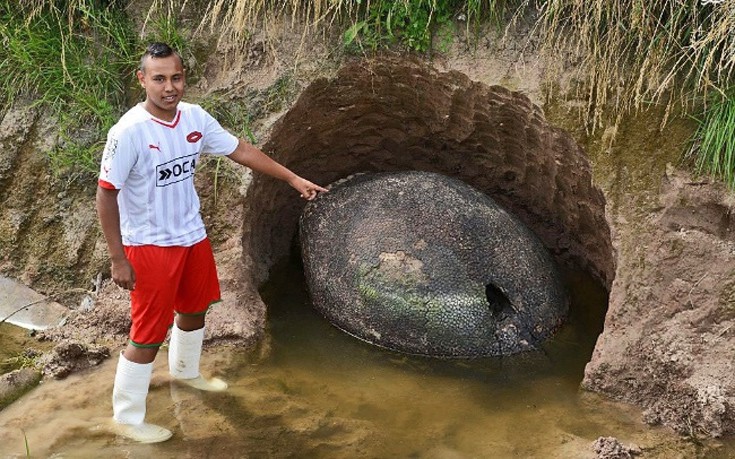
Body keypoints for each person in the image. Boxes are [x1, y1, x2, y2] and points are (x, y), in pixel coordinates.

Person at [96, 42, 327, 443]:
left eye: (176, 77)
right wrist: (119, 258)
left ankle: (185, 374)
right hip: (149, 247)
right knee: (147, 334)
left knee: (195, 311)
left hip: (192, 237)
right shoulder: (128, 132)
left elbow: (241, 150)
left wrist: (292, 178)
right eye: (160, 79)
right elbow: (106, 194)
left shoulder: (194, 118)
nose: (170, 87)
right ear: (142, 80)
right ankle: (127, 419)